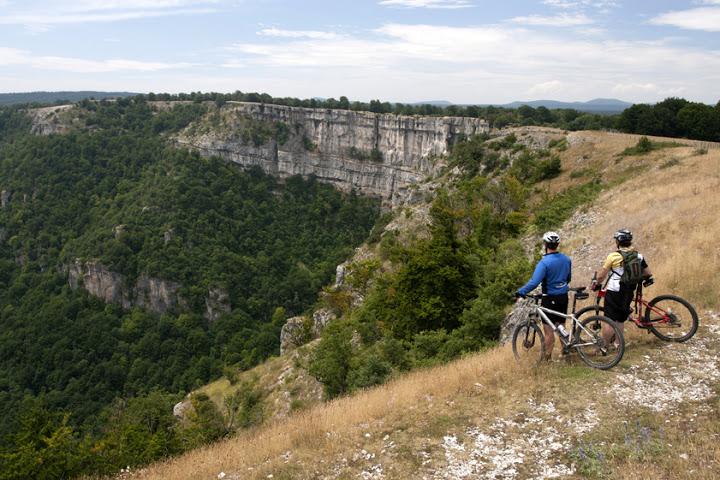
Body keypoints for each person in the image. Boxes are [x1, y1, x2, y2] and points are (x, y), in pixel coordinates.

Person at [516, 231, 572, 360]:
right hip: (563, 297)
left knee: (548, 331)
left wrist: (521, 292)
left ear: (545, 244)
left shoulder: (544, 262)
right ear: (557, 244)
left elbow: (534, 282)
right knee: (560, 325)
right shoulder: (566, 259)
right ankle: (566, 352)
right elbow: (568, 278)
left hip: (550, 297)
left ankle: (546, 360)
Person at [591, 229, 652, 339]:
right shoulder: (638, 256)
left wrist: (596, 283)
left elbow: (601, 276)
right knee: (621, 318)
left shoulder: (613, 256)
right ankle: (618, 345)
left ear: (618, 242)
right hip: (629, 290)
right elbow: (648, 273)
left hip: (614, 290)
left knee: (609, 320)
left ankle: (605, 347)